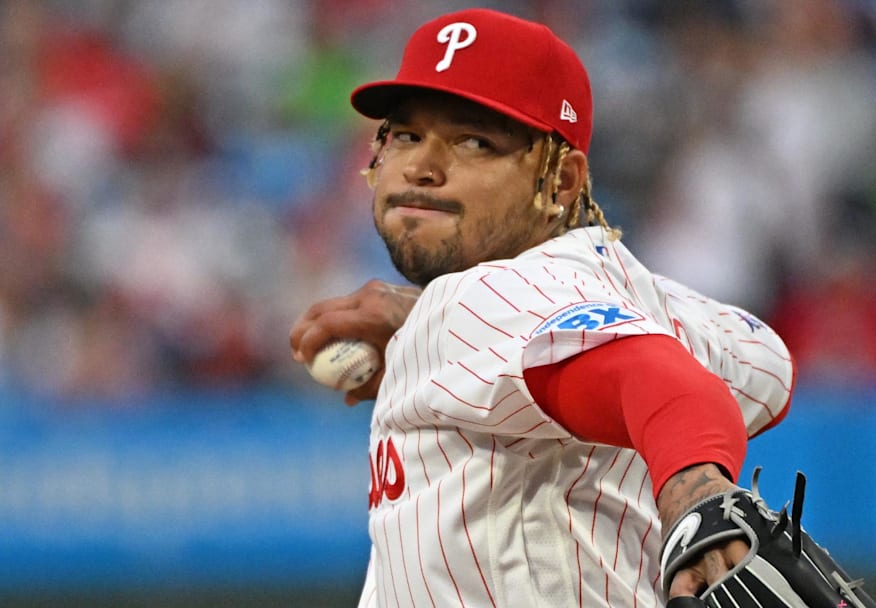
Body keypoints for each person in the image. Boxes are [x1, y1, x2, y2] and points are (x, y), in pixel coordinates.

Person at [289, 9, 796, 607]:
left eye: (474, 142)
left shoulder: (468, 304)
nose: (421, 168)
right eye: (405, 135)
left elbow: (665, 385)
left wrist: (696, 489)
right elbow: (767, 364)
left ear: (561, 181)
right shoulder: (637, 293)